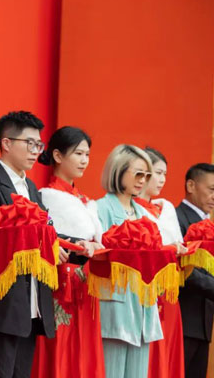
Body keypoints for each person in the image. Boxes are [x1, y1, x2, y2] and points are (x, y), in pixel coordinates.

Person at [0, 111, 55, 378]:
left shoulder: (31, 187)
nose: (35, 151)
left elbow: (46, 228)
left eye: (38, 145)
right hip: (4, 302)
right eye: (29, 143)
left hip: (32, 300)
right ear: (6, 143)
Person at [32, 126, 105, 378]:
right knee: (61, 347)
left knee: (84, 348)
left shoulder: (84, 200)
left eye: (87, 154)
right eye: (78, 153)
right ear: (57, 155)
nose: (84, 160)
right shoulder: (46, 197)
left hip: (85, 284)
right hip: (61, 282)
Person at [95, 144, 163, 378]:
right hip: (116, 302)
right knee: (112, 371)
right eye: (138, 174)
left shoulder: (145, 214)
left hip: (144, 304)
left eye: (146, 175)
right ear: (119, 170)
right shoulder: (100, 208)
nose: (142, 181)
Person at [134, 147, 185, 378]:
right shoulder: (131, 209)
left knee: (168, 352)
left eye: (165, 174)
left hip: (169, 292)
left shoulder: (166, 209)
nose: (162, 179)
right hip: (145, 292)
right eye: (158, 173)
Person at [175, 163, 214, 378]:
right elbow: (183, 267)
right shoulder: (177, 218)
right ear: (191, 185)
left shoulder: (207, 223)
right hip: (183, 318)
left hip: (203, 322)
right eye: (211, 189)